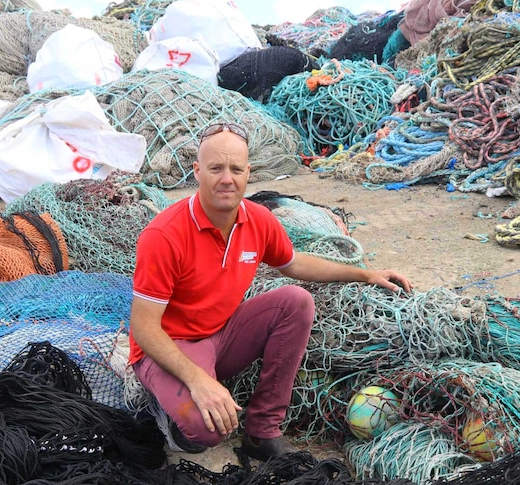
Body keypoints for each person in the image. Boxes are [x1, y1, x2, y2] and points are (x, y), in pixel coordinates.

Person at [128, 122, 412, 460]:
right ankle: (165, 410)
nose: (227, 179)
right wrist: (198, 380)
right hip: (169, 345)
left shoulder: (258, 219)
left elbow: (295, 264)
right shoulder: (164, 235)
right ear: (197, 171)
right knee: (206, 431)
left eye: (236, 169)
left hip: (221, 335)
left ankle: (262, 431)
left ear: (249, 172)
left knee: (296, 301)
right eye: (216, 168)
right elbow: (144, 329)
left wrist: (365, 274)